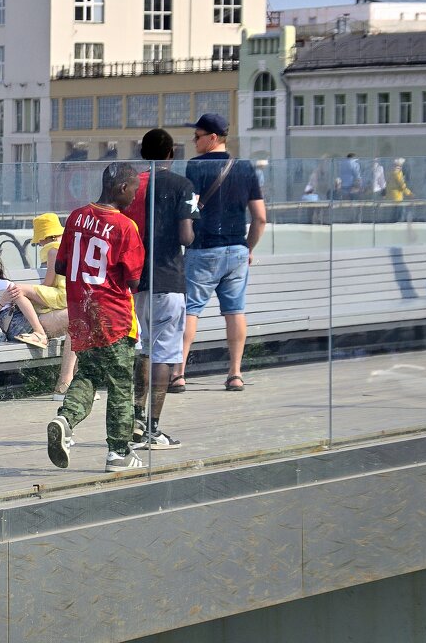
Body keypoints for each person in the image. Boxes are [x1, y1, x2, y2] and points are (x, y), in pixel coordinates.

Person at [46, 162, 145, 473]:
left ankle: (65, 418)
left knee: (87, 373)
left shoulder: (76, 217)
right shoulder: (126, 227)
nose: (134, 198)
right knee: (120, 384)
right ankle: (118, 452)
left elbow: (61, 266)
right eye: (134, 191)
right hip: (114, 316)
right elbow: (133, 281)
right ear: (122, 188)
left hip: (81, 313)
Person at [178, 113, 267, 392]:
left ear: (212, 138)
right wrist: (247, 248)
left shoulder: (195, 168)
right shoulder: (245, 168)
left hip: (204, 249)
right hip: (237, 251)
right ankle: (235, 374)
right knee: (235, 311)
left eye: (197, 136)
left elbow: (189, 211)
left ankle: (178, 375)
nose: (194, 141)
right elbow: (260, 218)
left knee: (190, 311)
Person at [123, 130, 196, 449]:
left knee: (142, 350)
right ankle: (152, 428)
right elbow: (186, 237)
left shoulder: (130, 186)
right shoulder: (182, 185)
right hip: (167, 280)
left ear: (142, 153)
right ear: (171, 154)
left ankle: (136, 421)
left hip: (134, 282)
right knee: (164, 354)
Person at [26, 213, 78, 401]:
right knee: (78, 324)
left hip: (58, 298)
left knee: (20, 289)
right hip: (68, 300)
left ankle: (67, 384)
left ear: (44, 237)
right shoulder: (69, 247)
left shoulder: (52, 251)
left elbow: (49, 281)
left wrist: (36, 293)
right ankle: (71, 383)